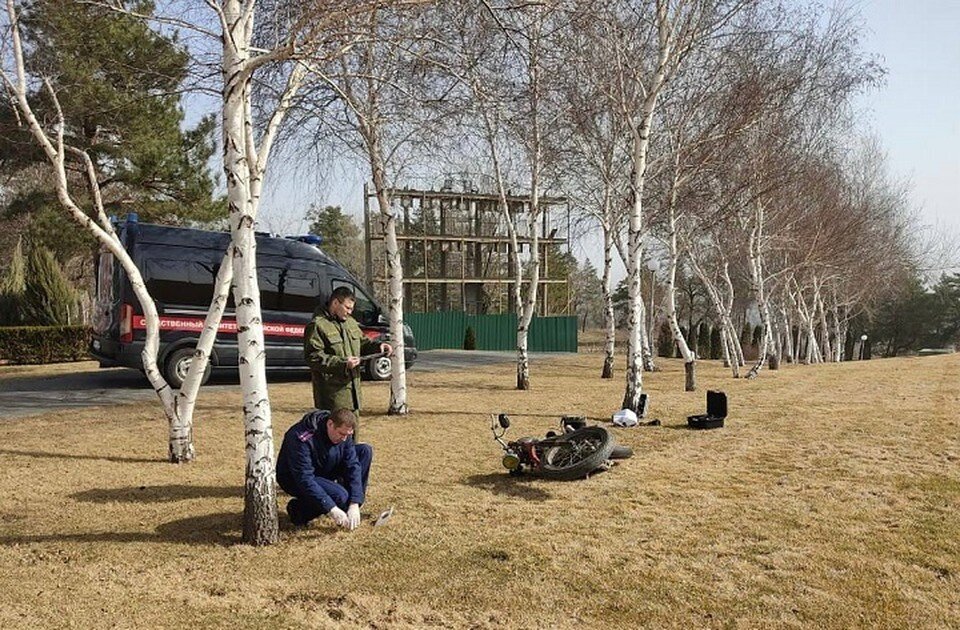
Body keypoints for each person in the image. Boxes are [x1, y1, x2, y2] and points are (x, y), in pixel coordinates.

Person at [304, 286, 392, 440]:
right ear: (336, 303)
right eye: (347, 307)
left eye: (352, 308)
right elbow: (313, 357)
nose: (350, 311)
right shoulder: (318, 325)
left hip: (353, 395)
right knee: (336, 441)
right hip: (333, 397)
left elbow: (363, 343)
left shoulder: (350, 323)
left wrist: (378, 346)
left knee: (352, 440)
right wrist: (342, 363)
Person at [276, 409, 372, 530]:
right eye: (341, 434)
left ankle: (348, 507)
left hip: (324, 465)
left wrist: (355, 503)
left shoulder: (344, 433)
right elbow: (304, 478)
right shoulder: (300, 437)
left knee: (364, 451)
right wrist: (332, 508)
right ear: (330, 424)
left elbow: (352, 465)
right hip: (295, 478)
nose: (344, 439)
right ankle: (299, 511)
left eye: (348, 435)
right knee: (339, 495)